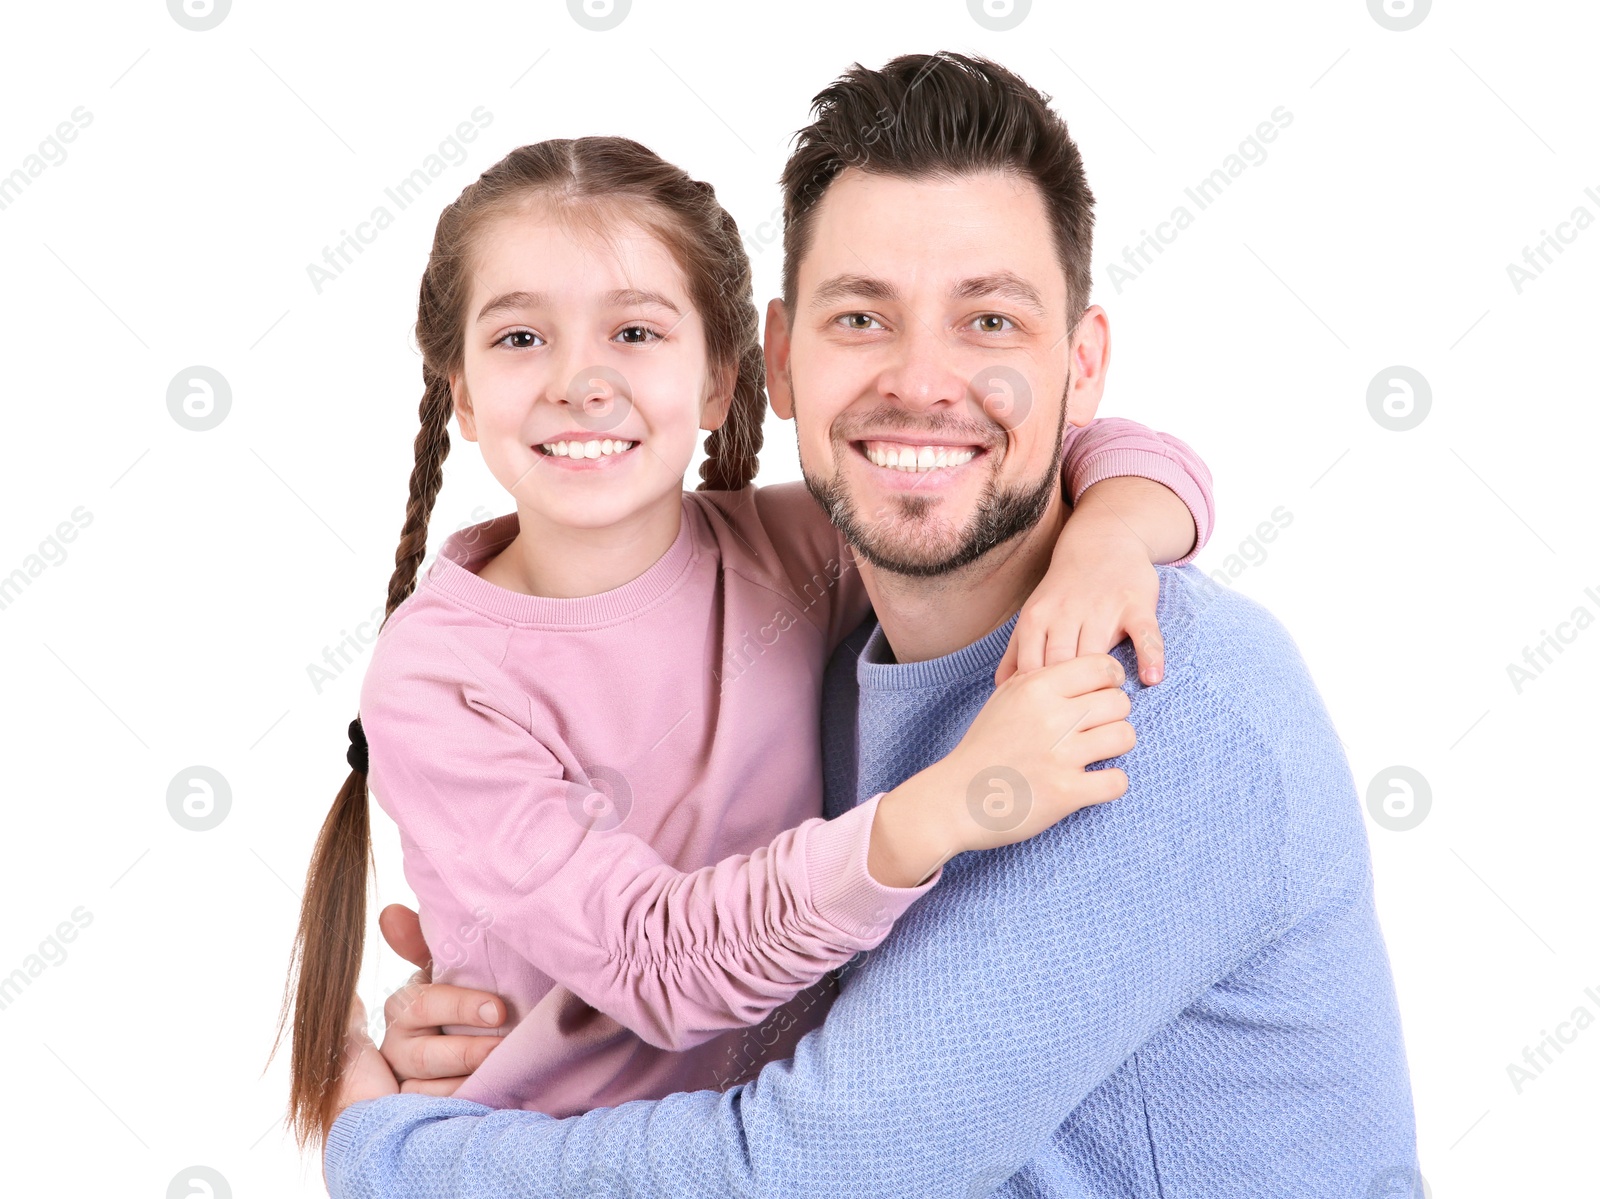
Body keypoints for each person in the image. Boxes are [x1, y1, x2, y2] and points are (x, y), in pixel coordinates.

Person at [323, 52, 1416, 1198]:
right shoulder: (840, 626)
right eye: (862, 317)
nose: (923, 382)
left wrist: (403, 1157)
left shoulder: (1146, 696)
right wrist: (527, 1004)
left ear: (1080, 364)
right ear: (783, 361)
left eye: (989, 319)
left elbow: (827, 1167)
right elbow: (661, 959)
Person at [273, 129, 1215, 1149]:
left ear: (725, 380)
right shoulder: (436, 675)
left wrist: (1109, 538)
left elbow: (1064, 452)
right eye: (518, 338)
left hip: (792, 1144)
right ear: (457, 388)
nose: (579, 381)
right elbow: (653, 962)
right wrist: (944, 807)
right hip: (567, 1161)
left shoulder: (795, 550)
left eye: (635, 333)